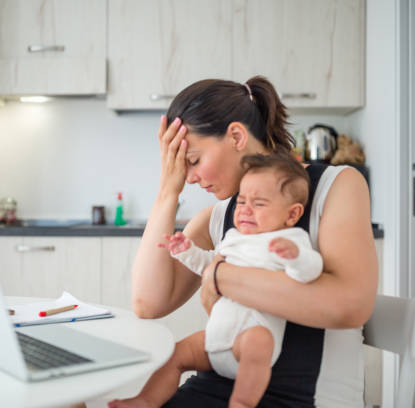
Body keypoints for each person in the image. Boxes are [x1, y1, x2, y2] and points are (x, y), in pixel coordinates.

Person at [127, 77, 378, 407]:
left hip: (301, 399)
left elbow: (350, 306)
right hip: (214, 388)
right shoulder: (216, 217)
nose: (189, 177)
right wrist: (167, 192)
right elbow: (148, 303)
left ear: (236, 136)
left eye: (193, 161)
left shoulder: (336, 186)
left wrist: (219, 276)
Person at [108, 153, 324, 408]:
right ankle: (145, 400)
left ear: (291, 214)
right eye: (242, 200)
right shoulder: (233, 237)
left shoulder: (291, 240)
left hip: (249, 341)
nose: (244, 209)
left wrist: (295, 257)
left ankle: (241, 403)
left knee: (260, 341)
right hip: (216, 337)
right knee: (176, 352)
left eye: (259, 203)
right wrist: (186, 251)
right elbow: (209, 266)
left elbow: (311, 271)